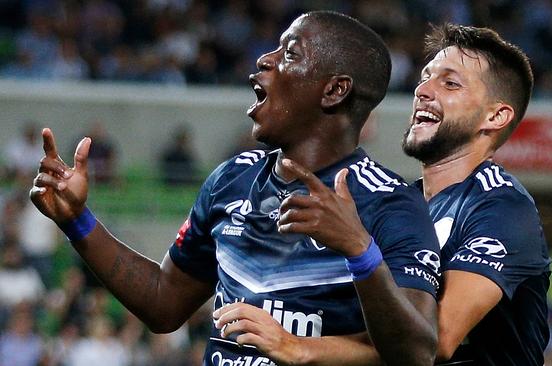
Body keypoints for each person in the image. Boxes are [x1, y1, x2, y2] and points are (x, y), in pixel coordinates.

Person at [30, 11, 440, 366]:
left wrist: (359, 250)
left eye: (290, 53)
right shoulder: (232, 179)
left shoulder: (391, 204)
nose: (265, 60)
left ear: (334, 90)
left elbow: (417, 354)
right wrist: (76, 221)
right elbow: (164, 303)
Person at [401, 24, 552, 365]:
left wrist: (299, 347)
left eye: (450, 83)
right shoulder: (400, 203)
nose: (423, 90)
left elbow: (435, 340)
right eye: (426, 76)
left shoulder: (502, 207)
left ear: (495, 116)